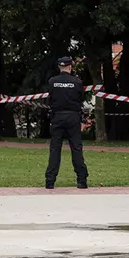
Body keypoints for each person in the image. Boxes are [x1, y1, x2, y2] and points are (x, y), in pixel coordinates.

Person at [45, 56, 88, 189]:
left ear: (59, 67)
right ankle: (81, 180)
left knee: (55, 150)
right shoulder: (77, 82)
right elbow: (80, 99)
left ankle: (50, 181)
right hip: (73, 118)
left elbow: (49, 100)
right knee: (76, 149)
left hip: (57, 117)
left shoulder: (52, 81)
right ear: (70, 66)